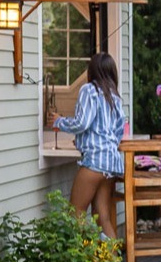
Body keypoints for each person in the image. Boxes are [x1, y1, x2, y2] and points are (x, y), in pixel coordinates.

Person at [54, 52, 126, 238]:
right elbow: (118, 132)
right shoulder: (115, 97)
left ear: (92, 71)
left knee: (75, 214)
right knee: (103, 219)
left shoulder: (89, 90)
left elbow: (82, 123)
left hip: (95, 161)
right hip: (111, 163)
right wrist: (82, 140)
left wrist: (59, 121)